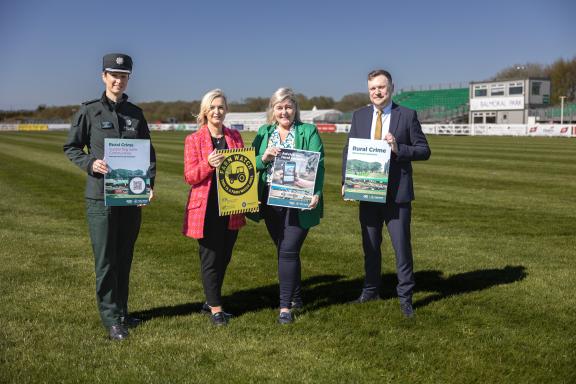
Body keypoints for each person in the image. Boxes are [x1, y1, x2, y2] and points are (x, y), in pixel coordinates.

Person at [63, 53, 156, 340]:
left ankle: (123, 312)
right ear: (104, 76)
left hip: (129, 198)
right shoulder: (89, 111)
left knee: (124, 257)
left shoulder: (136, 114)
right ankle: (111, 318)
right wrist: (91, 164)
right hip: (100, 198)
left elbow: (148, 154)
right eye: (113, 75)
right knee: (106, 261)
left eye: (123, 76)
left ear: (129, 78)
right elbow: (72, 147)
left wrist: (148, 184)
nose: (118, 80)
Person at [341, 69, 431, 318]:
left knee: (401, 247)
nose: (377, 92)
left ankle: (405, 298)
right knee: (370, 246)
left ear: (391, 87)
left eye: (381, 87)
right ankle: (370, 290)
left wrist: (397, 148)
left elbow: (424, 150)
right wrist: (345, 181)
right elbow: (349, 150)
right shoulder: (359, 116)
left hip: (397, 194)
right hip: (367, 190)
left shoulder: (407, 115)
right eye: (372, 88)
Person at [251, 88, 324, 324]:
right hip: (271, 201)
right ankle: (297, 296)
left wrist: (317, 192)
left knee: (288, 251)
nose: (284, 111)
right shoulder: (264, 132)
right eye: (279, 107)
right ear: (272, 110)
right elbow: (249, 163)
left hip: (299, 200)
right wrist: (264, 158)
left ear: (295, 110)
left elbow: (318, 164)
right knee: (285, 250)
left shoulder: (308, 131)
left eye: (288, 107)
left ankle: (284, 308)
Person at [182, 89, 246, 326]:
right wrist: (208, 164)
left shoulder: (234, 136)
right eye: (212, 107)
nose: (217, 111)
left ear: (226, 110)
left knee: (224, 257)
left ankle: (210, 301)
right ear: (205, 112)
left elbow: (243, 167)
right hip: (206, 208)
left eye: (220, 107)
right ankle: (217, 309)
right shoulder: (194, 139)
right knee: (210, 258)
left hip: (231, 206)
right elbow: (190, 176)